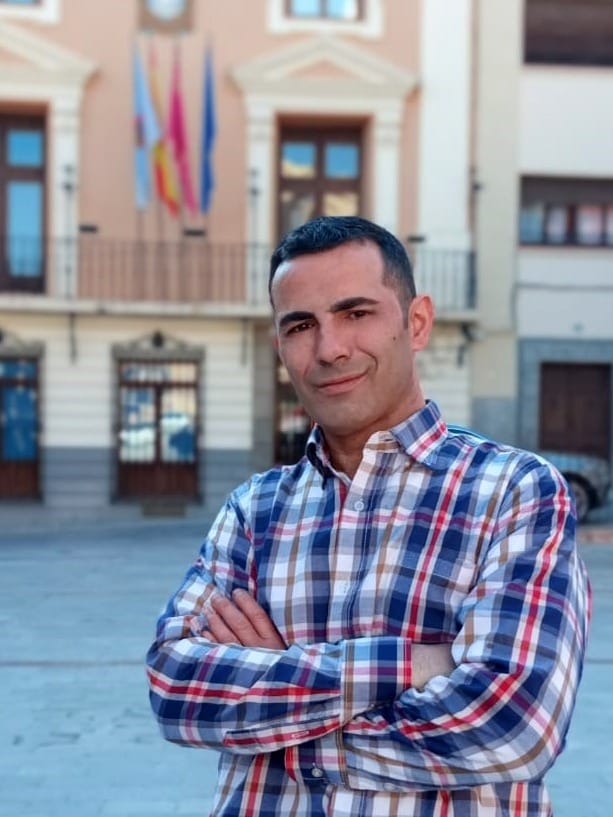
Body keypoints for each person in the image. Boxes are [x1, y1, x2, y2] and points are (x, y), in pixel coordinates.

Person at [146, 216, 590, 817]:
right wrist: (415, 664)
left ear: (417, 322)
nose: (330, 348)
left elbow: (512, 726)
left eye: (356, 313)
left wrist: (279, 704)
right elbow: (175, 689)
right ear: (280, 347)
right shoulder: (254, 510)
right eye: (301, 325)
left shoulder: (515, 491)